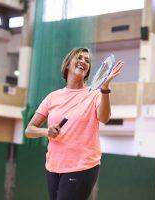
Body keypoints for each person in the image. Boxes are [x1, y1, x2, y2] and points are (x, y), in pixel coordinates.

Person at [25, 47, 124, 200]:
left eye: (87, 60)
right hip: (53, 167)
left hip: (82, 166)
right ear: (67, 65)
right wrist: (46, 132)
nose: (83, 61)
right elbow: (29, 130)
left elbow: (104, 118)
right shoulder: (52, 97)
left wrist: (105, 90)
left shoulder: (95, 95)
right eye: (79, 57)